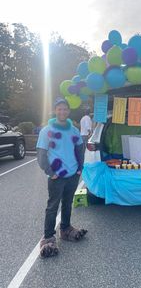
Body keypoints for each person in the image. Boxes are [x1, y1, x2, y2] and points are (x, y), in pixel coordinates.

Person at [36, 97, 87, 258]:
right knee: (52, 207)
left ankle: (65, 229)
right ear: (55, 110)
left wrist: (80, 168)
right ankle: (48, 237)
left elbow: (80, 149)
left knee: (67, 203)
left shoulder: (74, 130)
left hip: (72, 174)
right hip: (57, 176)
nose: (62, 111)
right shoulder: (47, 130)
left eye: (65, 109)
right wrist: (50, 172)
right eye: (59, 109)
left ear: (68, 111)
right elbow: (41, 155)